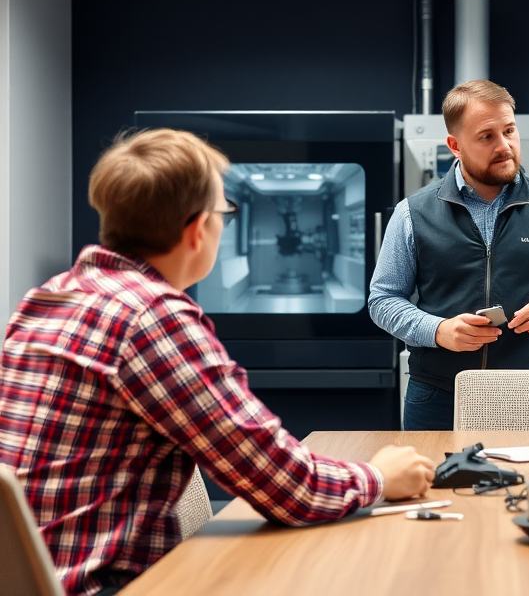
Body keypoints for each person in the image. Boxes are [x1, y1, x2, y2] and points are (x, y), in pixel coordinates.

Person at [0, 129, 434, 596]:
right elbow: (284, 484)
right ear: (196, 230)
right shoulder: (152, 317)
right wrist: (380, 477)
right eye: (225, 214)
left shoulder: (46, 298)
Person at [369, 80, 529, 430]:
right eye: (486, 136)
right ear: (455, 146)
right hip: (437, 398)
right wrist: (437, 330)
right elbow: (383, 300)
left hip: (528, 395)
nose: (504, 145)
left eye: (509, 130)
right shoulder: (412, 213)